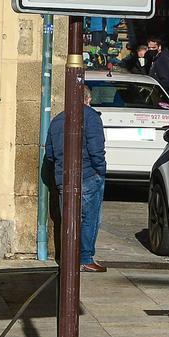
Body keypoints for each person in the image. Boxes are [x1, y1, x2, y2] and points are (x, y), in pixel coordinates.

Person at [42, 87, 108, 272]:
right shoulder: (92, 117)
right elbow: (97, 150)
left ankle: (68, 258)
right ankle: (85, 258)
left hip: (63, 178)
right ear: (87, 99)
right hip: (88, 176)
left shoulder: (57, 120)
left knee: (68, 219)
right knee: (90, 218)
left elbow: (49, 154)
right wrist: (100, 172)